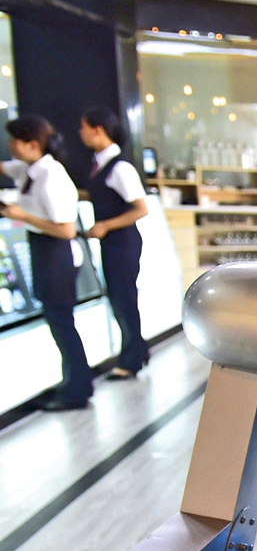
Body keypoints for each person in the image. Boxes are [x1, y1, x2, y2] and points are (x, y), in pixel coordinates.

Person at [2, 115, 88, 410]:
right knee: (58, 323)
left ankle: (77, 390)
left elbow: (66, 230)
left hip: (57, 256)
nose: (10, 145)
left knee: (63, 324)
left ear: (32, 144)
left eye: (14, 140)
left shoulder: (52, 176)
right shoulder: (30, 168)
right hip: (44, 252)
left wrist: (22, 216)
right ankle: (71, 383)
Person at [79, 107, 150, 379]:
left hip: (123, 243)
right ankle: (137, 352)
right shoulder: (101, 164)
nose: (80, 133)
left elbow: (141, 209)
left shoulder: (120, 167)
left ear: (98, 130)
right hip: (114, 244)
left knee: (124, 299)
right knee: (121, 299)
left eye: (84, 127)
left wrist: (105, 225)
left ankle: (131, 360)